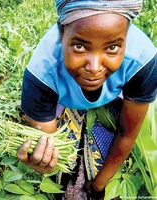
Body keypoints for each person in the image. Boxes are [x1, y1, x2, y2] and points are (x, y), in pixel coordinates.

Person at [17, 0, 156, 199]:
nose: (94, 67)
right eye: (80, 46)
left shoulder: (143, 61)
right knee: (67, 177)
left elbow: (126, 134)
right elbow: (52, 150)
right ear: (61, 34)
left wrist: (100, 184)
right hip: (64, 101)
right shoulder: (41, 74)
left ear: (127, 36)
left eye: (113, 47)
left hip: (115, 96)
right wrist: (45, 165)